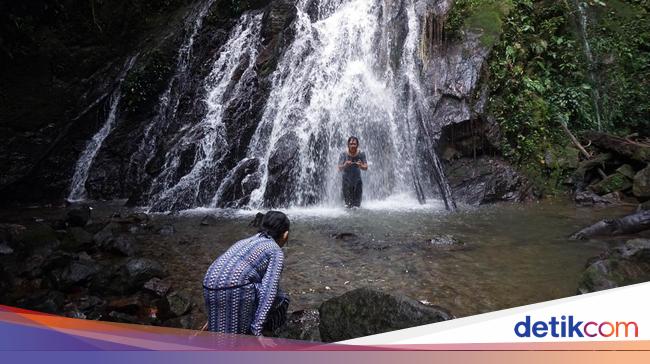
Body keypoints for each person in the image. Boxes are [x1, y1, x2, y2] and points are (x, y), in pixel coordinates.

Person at [203, 211, 290, 336]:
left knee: (222, 342)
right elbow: (269, 290)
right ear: (285, 235)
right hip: (235, 289)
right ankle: (270, 336)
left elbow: (224, 274)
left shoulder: (244, 241)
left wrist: (213, 314)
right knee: (282, 298)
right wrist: (257, 329)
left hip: (208, 285)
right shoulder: (274, 250)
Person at [337, 136, 368, 208]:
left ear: (357, 145)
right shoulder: (343, 154)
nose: (353, 145)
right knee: (348, 205)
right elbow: (338, 168)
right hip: (346, 182)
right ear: (348, 145)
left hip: (357, 182)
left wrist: (361, 166)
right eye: (351, 144)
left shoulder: (361, 154)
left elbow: (366, 167)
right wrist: (345, 165)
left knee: (357, 206)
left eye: (354, 144)